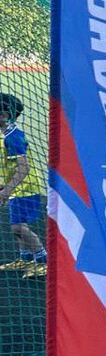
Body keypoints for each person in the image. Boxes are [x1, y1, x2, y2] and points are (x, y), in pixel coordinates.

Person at [0, 92, 45, 263]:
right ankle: (25, 259)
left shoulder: (13, 137)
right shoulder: (6, 134)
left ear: (5, 115)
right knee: (18, 224)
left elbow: (24, 168)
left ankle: (42, 258)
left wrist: (7, 190)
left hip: (26, 188)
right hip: (16, 188)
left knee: (18, 227)